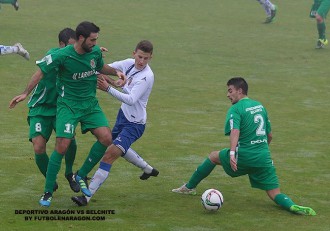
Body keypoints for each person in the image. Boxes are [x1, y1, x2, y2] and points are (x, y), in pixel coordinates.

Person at [10, 21, 126, 207]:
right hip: (67, 106)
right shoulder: (60, 55)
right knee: (61, 145)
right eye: (92, 39)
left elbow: (99, 67)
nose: (95, 43)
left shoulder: (94, 52)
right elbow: (40, 72)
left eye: (96, 39)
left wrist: (116, 74)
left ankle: (79, 174)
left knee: (106, 137)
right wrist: (25, 93)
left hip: (89, 105)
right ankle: (48, 191)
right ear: (81, 39)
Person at [172, 77, 316, 216]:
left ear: (239, 91)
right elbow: (270, 135)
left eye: (230, 91)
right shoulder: (260, 106)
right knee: (274, 193)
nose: (228, 95)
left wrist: (233, 153)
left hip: (243, 157)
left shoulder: (236, 109)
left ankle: (189, 187)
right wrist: (261, 150)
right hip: (263, 158)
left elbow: (235, 131)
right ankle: (291, 206)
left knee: (213, 156)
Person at [71, 40, 158, 206]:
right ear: (134, 54)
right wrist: (96, 58)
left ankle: (86, 197)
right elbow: (103, 68)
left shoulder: (147, 76)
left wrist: (109, 88)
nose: (141, 61)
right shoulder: (128, 63)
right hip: (122, 117)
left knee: (109, 154)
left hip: (135, 124)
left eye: (145, 58)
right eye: (139, 57)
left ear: (150, 58)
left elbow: (132, 99)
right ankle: (147, 169)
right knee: (117, 147)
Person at [9, 28, 80, 193]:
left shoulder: (76, 58)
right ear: (61, 45)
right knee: (38, 146)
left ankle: (69, 173)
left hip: (62, 108)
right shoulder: (53, 56)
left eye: (75, 46)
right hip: (41, 108)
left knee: (70, 141)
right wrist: (25, 93)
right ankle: (50, 178)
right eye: (69, 46)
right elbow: (38, 74)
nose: (73, 49)